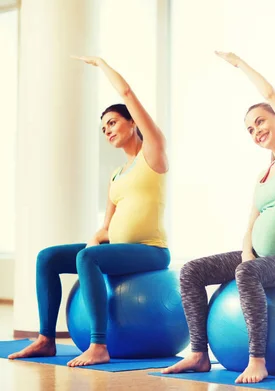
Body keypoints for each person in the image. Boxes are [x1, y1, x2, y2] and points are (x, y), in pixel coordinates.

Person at [162, 51, 275, 384]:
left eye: (261, 122)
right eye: (250, 129)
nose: (256, 131)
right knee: (192, 271)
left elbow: (270, 95)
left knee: (247, 272)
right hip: (260, 258)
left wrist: (240, 65)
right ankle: (197, 354)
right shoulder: (265, 174)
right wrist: (247, 251)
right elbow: (251, 222)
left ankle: (257, 359)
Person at [8, 56, 170, 367]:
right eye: (103, 128)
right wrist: (94, 243)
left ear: (132, 122)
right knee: (48, 257)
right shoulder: (115, 176)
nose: (107, 130)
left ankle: (99, 345)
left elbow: (127, 94)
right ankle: (45, 339)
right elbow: (106, 228)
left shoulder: (153, 154)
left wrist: (103, 66)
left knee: (87, 257)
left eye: (112, 122)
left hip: (150, 251)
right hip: (119, 250)